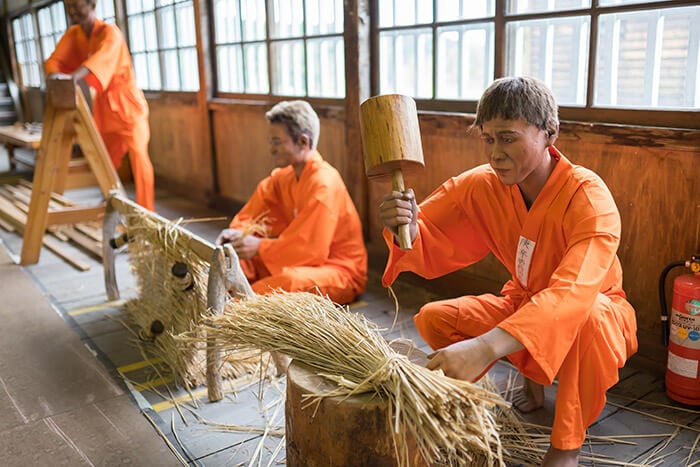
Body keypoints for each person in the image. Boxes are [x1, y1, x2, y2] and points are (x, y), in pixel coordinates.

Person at [379, 77, 637, 466]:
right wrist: (404, 225)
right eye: (488, 140)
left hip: (593, 317)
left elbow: (572, 294)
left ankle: (566, 446)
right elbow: (425, 232)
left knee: (590, 317)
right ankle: (482, 407)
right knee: (436, 319)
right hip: (521, 301)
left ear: (550, 132)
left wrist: (483, 346)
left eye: (508, 138)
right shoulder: (482, 184)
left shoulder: (589, 196)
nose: (496, 153)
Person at [216, 100, 367, 305]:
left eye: (277, 142)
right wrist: (237, 234)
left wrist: (261, 247)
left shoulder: (325, 184)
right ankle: (229, 296)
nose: (271, 149)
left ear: (303, 142)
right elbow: (253, 215)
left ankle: (236, 306)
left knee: (290, 281)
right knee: (239, 258)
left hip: (336, 270)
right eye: (271, 141)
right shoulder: (283, 177)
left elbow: (310, 251)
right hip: (295, 259)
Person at [45, 0, 155, 211]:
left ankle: (147, 211)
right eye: (69, 6)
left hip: (127, 104)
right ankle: (111, 201)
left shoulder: (109, 32)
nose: (73, 11)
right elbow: (55, 59)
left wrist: (71, 79)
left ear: (91, 4)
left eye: (78, 5)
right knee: (106, 160)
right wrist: (55, 77)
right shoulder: (74, 35)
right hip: (104, 106)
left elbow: (100, 59)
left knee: (139, 159)